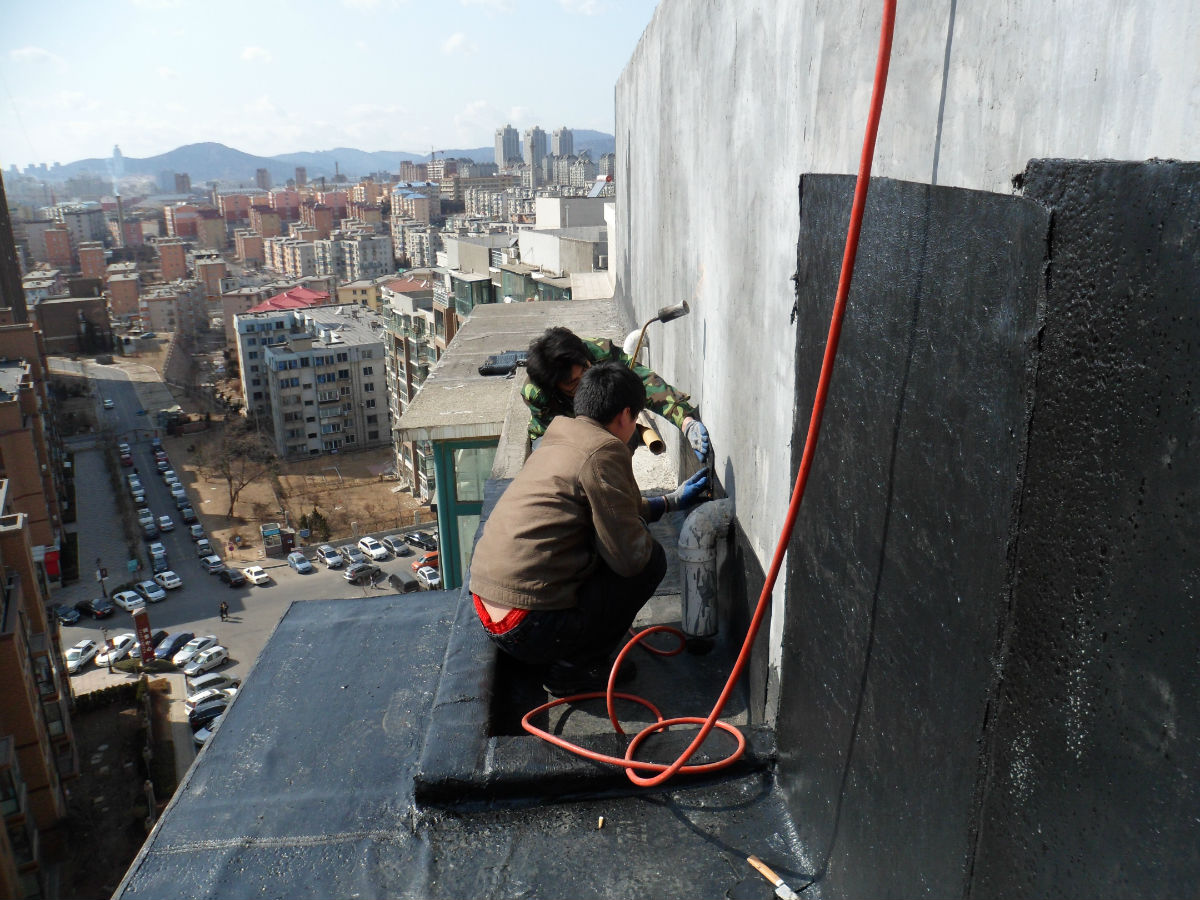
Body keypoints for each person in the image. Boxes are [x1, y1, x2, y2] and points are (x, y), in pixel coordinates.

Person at [470, 362, 710, 695]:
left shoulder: (557, 439)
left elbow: (612, 505)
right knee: (649, 559)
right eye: (636, 418)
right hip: (529, 628)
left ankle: (568, 649)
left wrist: (668, 502)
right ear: (626, 415)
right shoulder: (604, 451)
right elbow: (630, 558)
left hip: (487, 608)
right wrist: (639, 527)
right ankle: (572, 670)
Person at [522, 326, 711, 460]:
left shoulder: (597, 352)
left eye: (586, 371)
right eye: (572, 383)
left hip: (602, 425)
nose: (584, 383)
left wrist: (685, 421)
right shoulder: (538, 395)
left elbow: (640, 381)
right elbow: (566, 437)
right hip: (557, 438)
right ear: (554, 386)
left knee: (624, 438)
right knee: (561, 462)